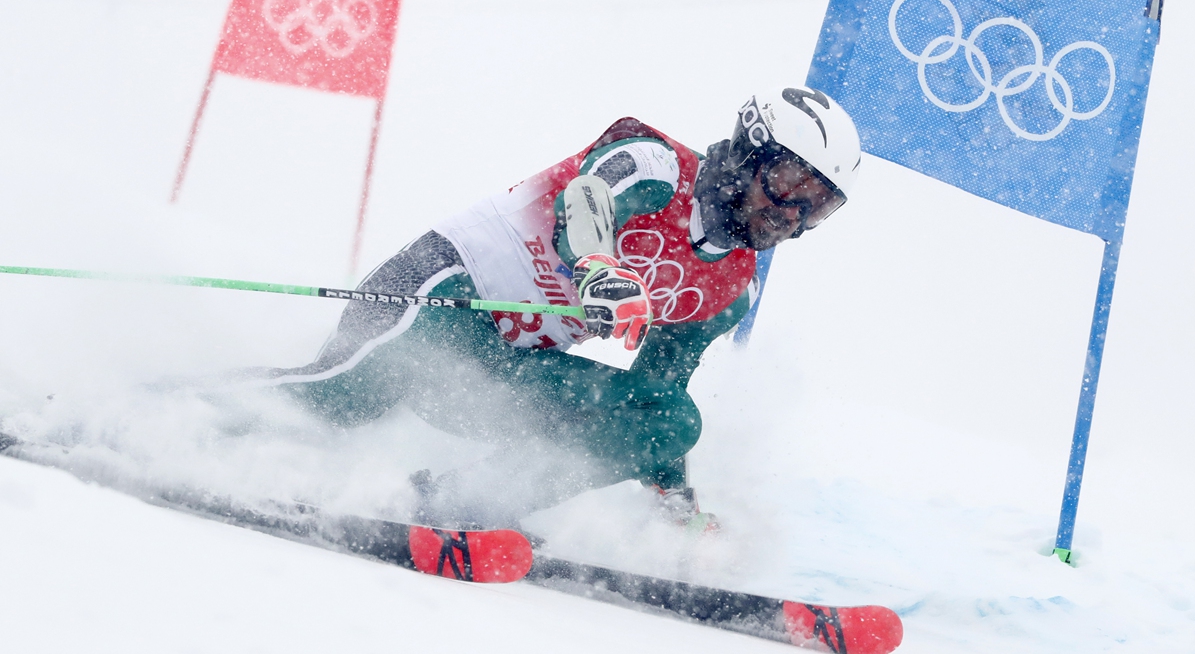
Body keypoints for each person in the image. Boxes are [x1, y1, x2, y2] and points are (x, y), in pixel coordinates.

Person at [250, 85, 862, 529]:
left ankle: (460, 500)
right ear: (747, 152)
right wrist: (599, 268)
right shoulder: (656, 165)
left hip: (498, 374)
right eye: (788, 185)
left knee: (674, 419)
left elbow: (656, 396)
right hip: (439, 299)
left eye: (819, 206)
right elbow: (588, 198)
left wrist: (678, 506)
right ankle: (177, 410)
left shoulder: (731, 288)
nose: (792, 216)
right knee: (332, 402)